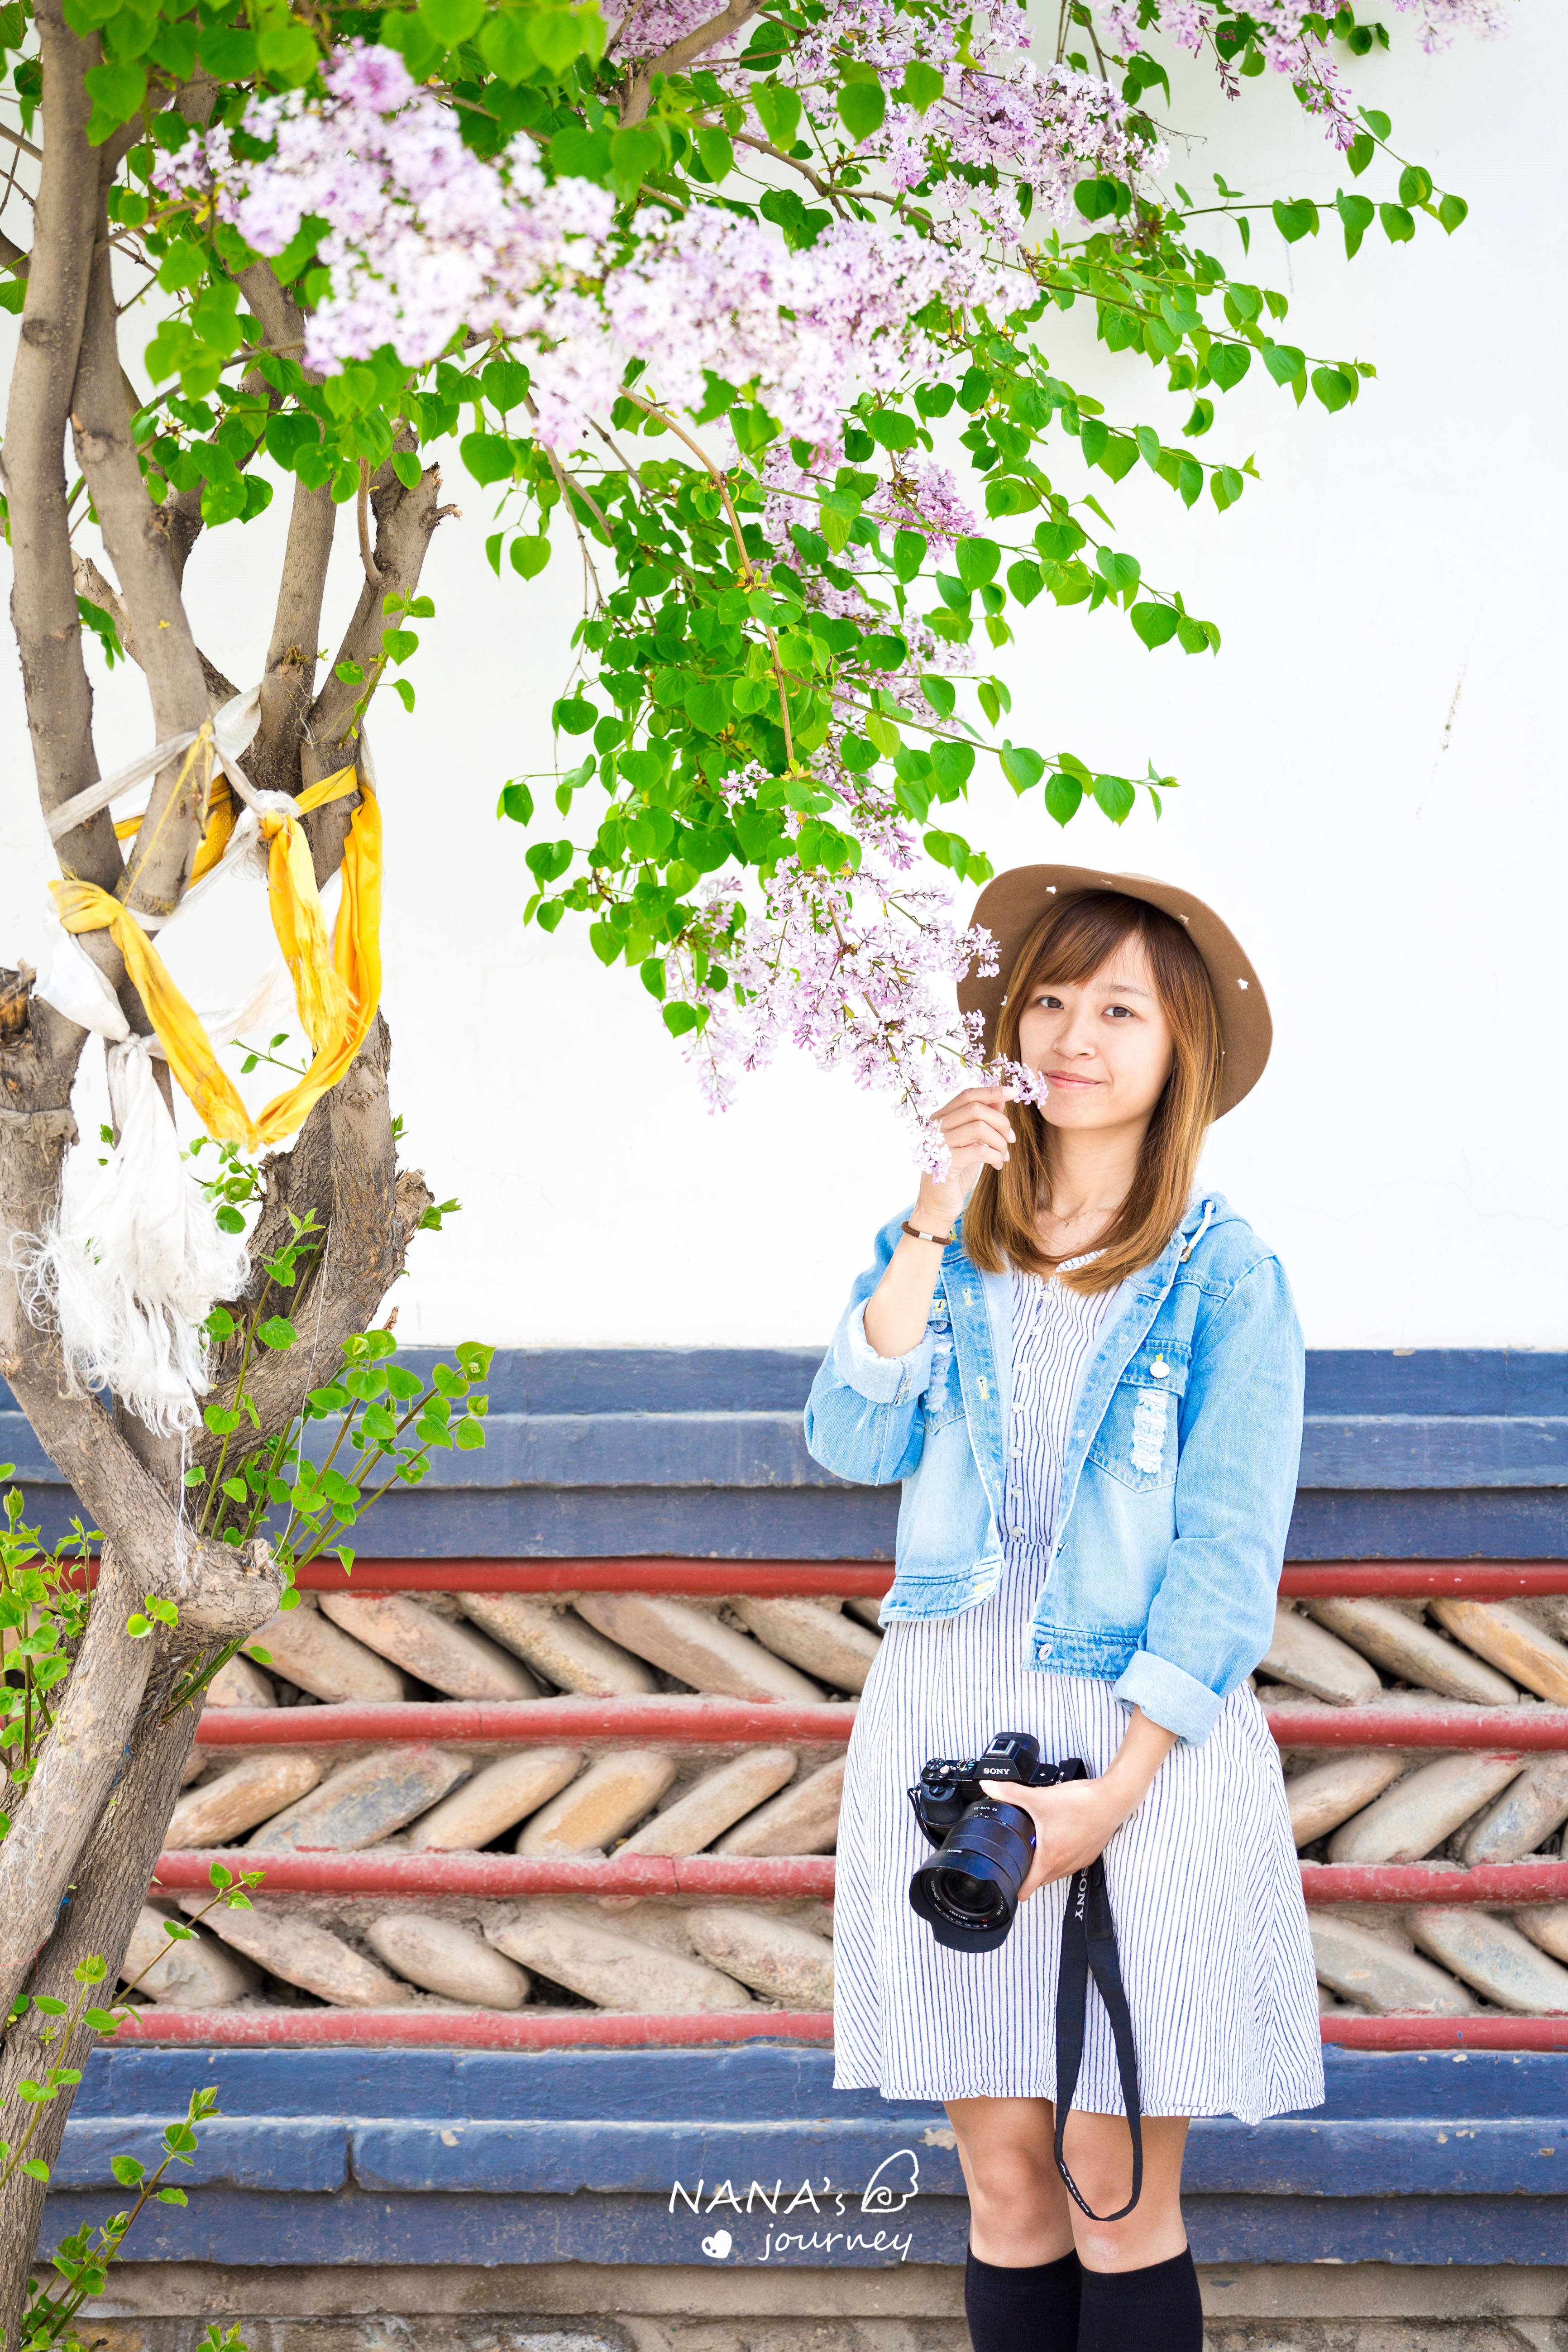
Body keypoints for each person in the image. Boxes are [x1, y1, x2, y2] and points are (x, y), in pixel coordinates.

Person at [804, 866, 1323, 2352]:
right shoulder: (950, 1241)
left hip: (1137, 1746)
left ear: (1181, 1048)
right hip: (949, 1727)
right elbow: (850, 1434)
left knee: (1113, 2187)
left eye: (1119, 1009)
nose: (1075, 1035)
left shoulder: (1226, 1275)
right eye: (1049, 999)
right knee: (1007, 2184)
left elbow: (1227, 1558)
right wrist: (930, 1213)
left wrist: (1117, 1792)